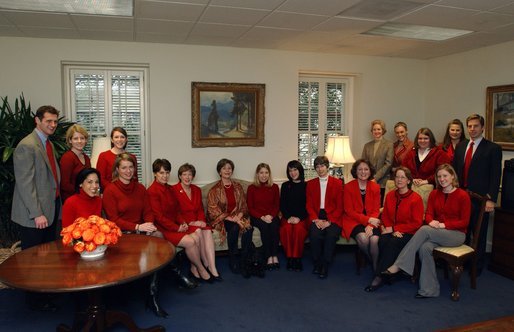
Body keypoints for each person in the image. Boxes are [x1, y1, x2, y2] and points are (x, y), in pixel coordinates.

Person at [383, 164, 471, 298]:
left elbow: (464, 222)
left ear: (452, 176)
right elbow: (429, 214)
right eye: (439, 176)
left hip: (456, 235)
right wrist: (431, 221)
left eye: (445, 176)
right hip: (437, 233)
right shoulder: (435, 193)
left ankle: (399, 265)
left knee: (424, 229)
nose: (442, 179)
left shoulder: (462, 195)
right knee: (424, 248)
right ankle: (429, 290)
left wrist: (442, 225)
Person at [102, 153, 167, 317]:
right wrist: (137, 226)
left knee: (158, 236)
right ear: (117, 169)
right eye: (124, 167)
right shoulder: (110, 190)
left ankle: (152, 295)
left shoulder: (140, 188)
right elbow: (113, 219)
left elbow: (148, 211)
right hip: (121, 233)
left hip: (141, 230)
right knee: (151, 244)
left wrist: (148, 224)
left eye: (131, 167)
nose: (128, 171)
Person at [11, 105, 61, 312]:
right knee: (33, 260)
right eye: (48, 121)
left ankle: (45, 295)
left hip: (50, 209)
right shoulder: (27, 145)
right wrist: (37, 213)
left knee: (47, 258)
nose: (52, 125)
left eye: (55, 121)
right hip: (35, 215)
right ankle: (34, 302)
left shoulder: (47, 144)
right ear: (37, 120)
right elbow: (25, 184)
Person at [147, 159, 212, 286]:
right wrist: (177, 228)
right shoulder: (152, 191)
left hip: (175, 226)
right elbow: (158, 217)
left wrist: (182, 223)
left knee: (197, 235)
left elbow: (177, 211)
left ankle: (193, 269)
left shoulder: (170, 189)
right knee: (191, 241)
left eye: (166, 172)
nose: (165, 176)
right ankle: (200, 267)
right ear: (155, 174)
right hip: (163, 229)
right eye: (161, 173)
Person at [453, 114, 502, 272]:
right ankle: (462, 261)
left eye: (475, 126)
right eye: (470, 126)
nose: (472, 129)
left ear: (482, 128)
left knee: (478, 233)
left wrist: (491, 199)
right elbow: (455, 171)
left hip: (480, 199)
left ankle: (476, 266)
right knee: (462, 231)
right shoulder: (461, 146)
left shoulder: (493, 148)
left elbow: (495, 176)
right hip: (461, 196)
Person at [364, 166, 423, 292]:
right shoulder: (390, 195)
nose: (399, 179)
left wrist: (396, 228)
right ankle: (390, 274)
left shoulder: (416, 198)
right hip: (390, 230)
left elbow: (417, 223)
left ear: (408, 181)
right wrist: (388, 228)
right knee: (382, 240)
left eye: (403, 177)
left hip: (409, 233)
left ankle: (378, 277)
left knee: (393, 242)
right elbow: (385, 215)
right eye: (397, 177)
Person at [172, 163, 221, 281]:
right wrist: (190, 223)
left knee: (207, 231)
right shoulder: (173, 190)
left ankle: (212, 267)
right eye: (184, 174)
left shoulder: (196, 190)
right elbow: (175, 212)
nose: (187, 177)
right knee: (198, 231)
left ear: (193, 176)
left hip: (197, 222)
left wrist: (201, 221)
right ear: (180, 176)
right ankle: (202, 265)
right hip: (184, 223)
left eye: (190, 174)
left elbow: (199, 209)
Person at [207, 158, 253, 275]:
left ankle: (245, 260)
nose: (227, 170)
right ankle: (233, 259)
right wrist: (230, 218)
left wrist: (240, 215)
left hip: (238, 216)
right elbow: (212, 209)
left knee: (248, 228)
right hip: (223, 219)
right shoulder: (214, 190)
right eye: (224, 168)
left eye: (229, 168)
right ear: (219, 171)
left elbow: (244, 205)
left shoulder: (238, 186)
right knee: (234, 228)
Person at [306, 156, 344, 279]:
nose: (320, 169)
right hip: (317, 215)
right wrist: (315, 219)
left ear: (327, 167)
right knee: (315, 234)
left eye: (322, 166)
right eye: (317, 166)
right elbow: (309, 205)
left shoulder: (337, 183)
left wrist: (330, 221)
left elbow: (340, 206)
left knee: (331, 235)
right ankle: (317, 262)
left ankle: (325, 265)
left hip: (333, 216)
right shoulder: (310, 184)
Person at [342, 159, 381, 273]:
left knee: (374, 240)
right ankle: (370, 259)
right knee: (364, 239)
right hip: (353, 220)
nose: (363, 172)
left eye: (366, 169)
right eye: (360, 169)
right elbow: (349, 211)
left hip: (372, 221)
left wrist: (370, 225)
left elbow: (375, 209)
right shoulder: (348, 187)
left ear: (370, 171)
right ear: (355, 171)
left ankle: (375, 269)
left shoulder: (375, 187)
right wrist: (368, 220)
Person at [247, 163, 280, 270]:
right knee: (265, 227)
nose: (264, 175)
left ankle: (275, 255)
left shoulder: (274, 187)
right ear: (257, 174)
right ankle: (268, 256)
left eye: (266, 172)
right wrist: (262, 217)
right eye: (261, 172)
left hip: (272, 215)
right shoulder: (251, 188)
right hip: (257, 217)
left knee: (274, 226)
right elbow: (250, 207)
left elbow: (276, 205)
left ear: (269, 174)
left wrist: (271, 216)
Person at [279, 160, 309, 272]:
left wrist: (299, 218)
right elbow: (282, 205)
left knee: (298, 230)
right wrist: (288, 217)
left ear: (300, 170)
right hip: (287, 217)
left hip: (302, 217)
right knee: (285, 229)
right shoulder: (285, 185)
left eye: (295, 169)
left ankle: (297, 258)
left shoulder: (307, 185)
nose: (293, 173)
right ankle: (290, 258)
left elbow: (308, 206)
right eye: (290, 170)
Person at [361, 119, 394, 198]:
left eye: (379, 129)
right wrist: (368, 177)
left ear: (383, 130)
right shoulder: (367, 146)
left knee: (380, 207)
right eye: (374, 129)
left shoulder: (389, 145)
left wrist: (375, 178)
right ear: (372, 131)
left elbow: (388, 164)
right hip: (368, 181)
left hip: (383, 182)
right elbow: (363, 164)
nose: (376, 131)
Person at [59, 124, 91, 202]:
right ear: (70, 140)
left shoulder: (86, 158)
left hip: (85, 198)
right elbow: (64, 184)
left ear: (86, 140)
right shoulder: (67, 158)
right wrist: (83, 191)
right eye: (76, 138)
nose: (79, 141)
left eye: (82, 138)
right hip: (71, 200)